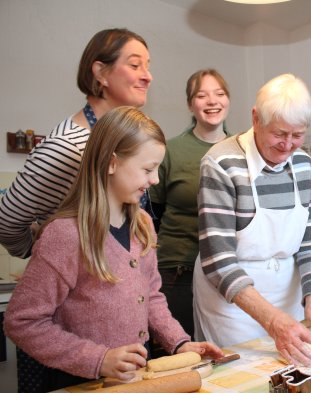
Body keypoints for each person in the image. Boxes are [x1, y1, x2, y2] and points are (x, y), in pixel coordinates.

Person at [4, 107, 224, 392]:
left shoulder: (142, 224)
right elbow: (22, 322)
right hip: (81, 382)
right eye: (147, 169)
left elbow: (152, 297)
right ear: (111, 163)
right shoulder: (66, 234)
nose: (155, 179)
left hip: (132, 383)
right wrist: (99, 358)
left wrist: (179, 342)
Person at [193, 73, 311, 366]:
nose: (288, 145)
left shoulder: (304, 165)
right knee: (243, 376)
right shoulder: (220, 163)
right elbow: (218, 260)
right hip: (233, 304)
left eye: (297, 136)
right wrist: (271, 320)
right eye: (279, 134)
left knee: (297, 371)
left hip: (287, 297)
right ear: (256, 119)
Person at [0, 28, 153, 259]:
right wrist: (48, 256)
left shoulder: (123, 140)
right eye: (134, 65)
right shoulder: (66, 147)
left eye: (147, 66)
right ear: (100, 72)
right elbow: (5, 223)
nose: (147, 76)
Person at [150, 69, 230, 340]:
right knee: (178, 349)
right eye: (202, 95)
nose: (212, 101)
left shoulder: (240, 149)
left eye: (219, 94)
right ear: (190, 104)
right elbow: (152, 214)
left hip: (226, 269)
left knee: (224, 348)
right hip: (177, 270)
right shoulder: (170, 150)